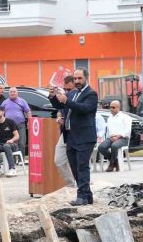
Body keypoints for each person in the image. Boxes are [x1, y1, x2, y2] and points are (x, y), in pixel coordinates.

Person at [49, 68, 98, 206]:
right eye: (75, 78)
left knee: (82, 166)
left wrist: (67, 101)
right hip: (70, 135)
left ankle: (81, 196)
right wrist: (53, 96)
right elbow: (61, 105)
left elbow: (84, 109)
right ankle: (87, 195)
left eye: (79, 78)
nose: (77, 81)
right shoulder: (72, 93)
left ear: (86, 78)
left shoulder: (91, 94)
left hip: (85, 136)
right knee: (75, 167)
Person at [53, 76, 77, 188]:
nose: (66, 91)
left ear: (74, 83)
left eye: (68, 89)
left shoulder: (77, 95)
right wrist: (59, 117)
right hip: (65, 132)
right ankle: (71, 184)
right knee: (59, 160)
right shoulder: (65, 95)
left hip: (77, 133)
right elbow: (60, 109)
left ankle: (81, 185)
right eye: (65, 89)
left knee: (78, 162)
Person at [99, 100, 132, 172]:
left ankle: (111, 164)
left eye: (113, 107)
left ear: (118, 107)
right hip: (111, 138)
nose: (111, 109)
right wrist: (111, 137)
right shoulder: (109, 118)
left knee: (114, 146)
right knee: (101, 147)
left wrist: (118, 136)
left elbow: (127, 130)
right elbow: (109, 131)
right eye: (110, 107)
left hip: (123, 138)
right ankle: (115, 161)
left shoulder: (125, 117)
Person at [1, 87, 32, 154]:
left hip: (20, 125)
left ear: (17, 93)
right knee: (11, 143)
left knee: (21, 143)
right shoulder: (4, 102)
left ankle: (21, 160)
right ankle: (13, 159)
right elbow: (1, 113)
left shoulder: (22, 101)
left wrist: (29, 122)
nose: (12, 93)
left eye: (14, 91)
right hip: (9, 126)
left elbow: (28, 112)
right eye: (11, 92)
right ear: (9, 93)